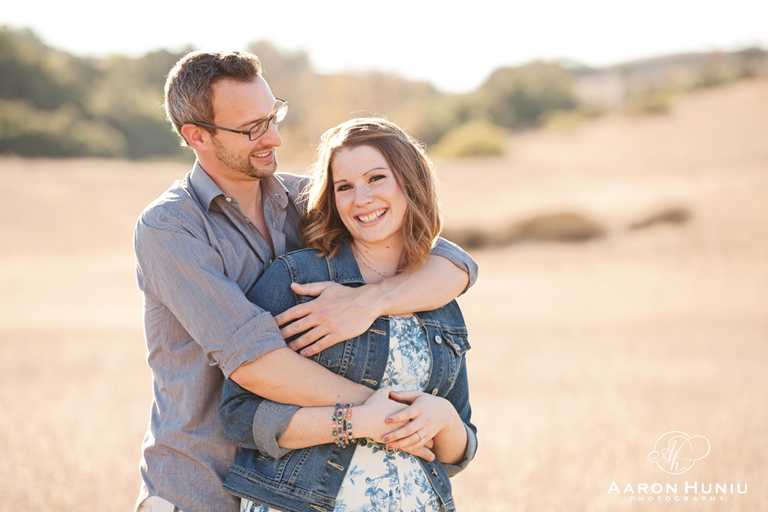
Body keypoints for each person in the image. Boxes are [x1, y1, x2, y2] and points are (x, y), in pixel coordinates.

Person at [133, 51, 478, 512]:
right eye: (252, 128)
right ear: (197, 135)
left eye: (273, 116)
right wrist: (393, 413)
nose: (273, 137)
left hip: (304, 475)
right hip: (199, 485)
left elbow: (452, 261)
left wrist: (369, 303)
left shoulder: (308, 200)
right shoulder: (171, 226)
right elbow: (255, 363)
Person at [219, 117, 476, 512]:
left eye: (376, 178)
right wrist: (356, 421)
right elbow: (240, 415)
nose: (362, 199)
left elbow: (458, 450)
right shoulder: (297, 279)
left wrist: (444, 418)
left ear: (410, 181)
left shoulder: (438, 294)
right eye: (345, 187)